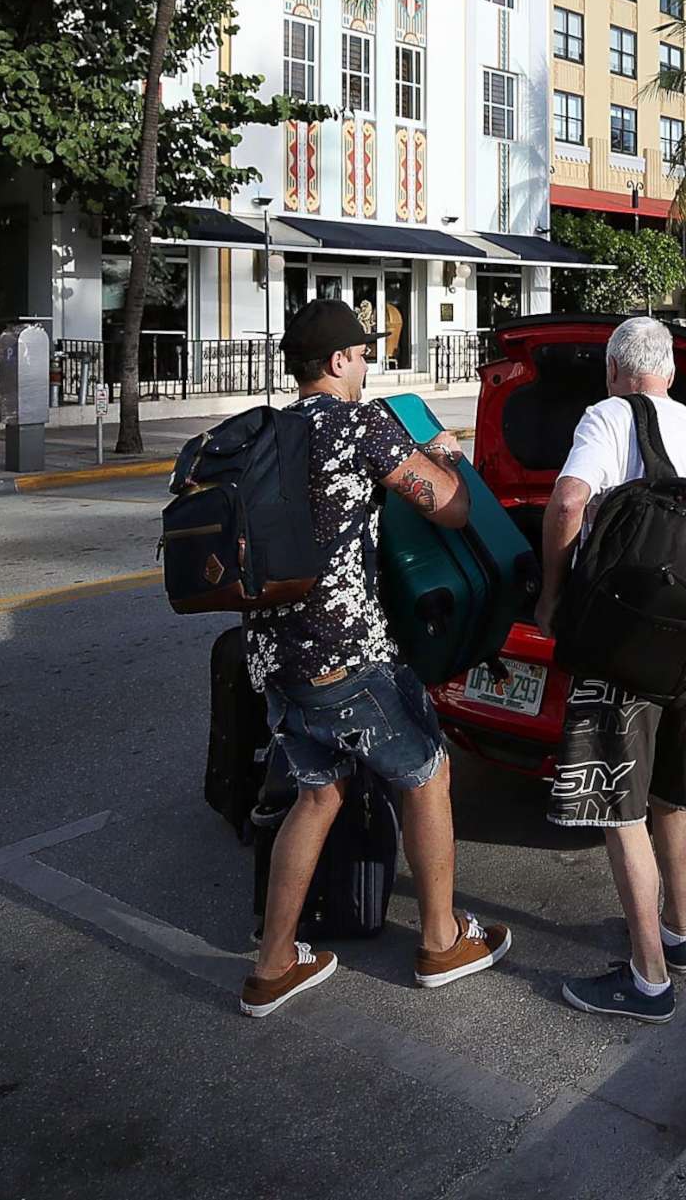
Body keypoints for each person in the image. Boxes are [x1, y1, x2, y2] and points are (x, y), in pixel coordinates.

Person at [240, 299, 512, 1018]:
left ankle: (273, 963)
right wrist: (445, 460)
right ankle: (442, 940)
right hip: (346, 654)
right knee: (428, 770)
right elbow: (449, 508)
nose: (366, 367)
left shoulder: (267, 431)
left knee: (318, 791)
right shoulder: (358, 423)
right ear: (337, 362)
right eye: (362, 356)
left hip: (275, 659)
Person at [534, 316, 686, 1023]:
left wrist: (552, 594)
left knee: (619, 810)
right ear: (671, 375)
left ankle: (648, 979)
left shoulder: (608, 414)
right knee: (675, 798)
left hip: (623, 648)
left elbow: (567, 500)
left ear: (615, 371)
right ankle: (677, 935)